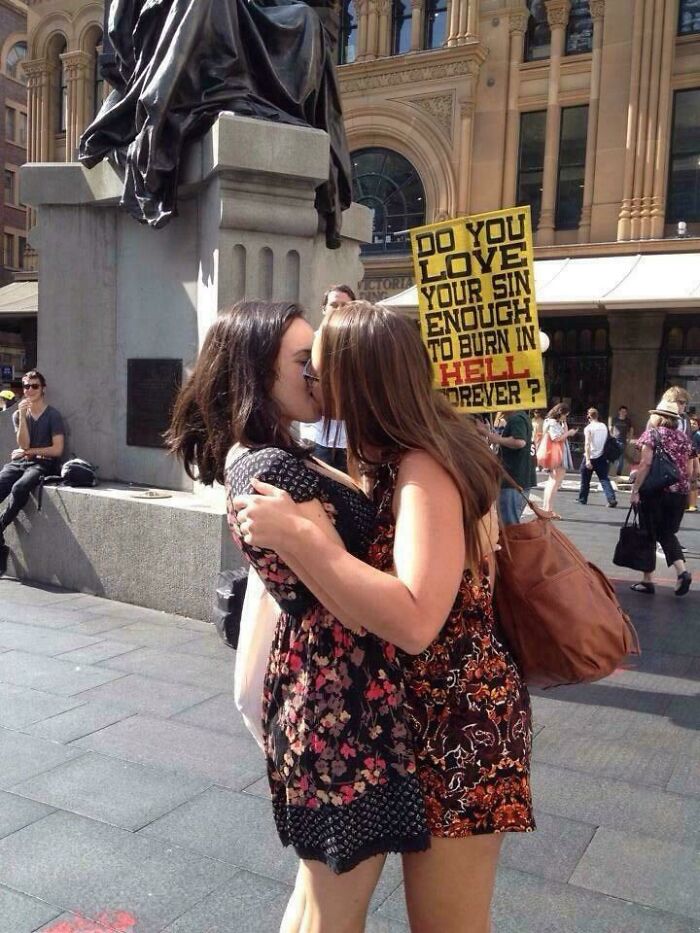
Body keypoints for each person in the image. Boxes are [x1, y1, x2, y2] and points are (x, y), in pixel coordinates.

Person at [234, 301, 534, 933]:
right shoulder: (385, 460)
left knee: (446, 925)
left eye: (317, 370)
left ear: (357, 378)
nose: (311, 383)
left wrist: (305, 541)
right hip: (403, 723)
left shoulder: (423, 466)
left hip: (458, 726)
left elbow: (418, 617)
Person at [167, 301, 430, 933]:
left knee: (319, 904)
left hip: (340, 705)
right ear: (255, 371)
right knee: (333, 911)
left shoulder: (280, 455)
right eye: (301, 359)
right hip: (340, 716)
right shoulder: (269, 470)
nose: (318, 371)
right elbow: (350, 606)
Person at [0, 371, 65, 576]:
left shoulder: (53, 415)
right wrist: (23, 418)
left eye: (34, 386)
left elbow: (57, 450)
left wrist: (29, 452)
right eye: (26, 386)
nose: (29, 390)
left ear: (43, 389)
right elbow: (23, 444)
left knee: (20, 487)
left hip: (44, 465)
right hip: (21, 462)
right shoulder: (18, 414)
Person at [629, 400, 692, 596]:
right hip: (679, 492)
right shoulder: (684, 438)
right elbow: (690, 470)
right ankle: (682, 572)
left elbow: (646, 463)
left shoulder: (652, 434)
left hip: (655, 492)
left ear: (659, 417)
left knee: (648, 533)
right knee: (667, 533)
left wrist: (635, 489)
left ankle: (647, 581)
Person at [299, 284, 355, 471]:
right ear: (324, 308)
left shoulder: (359, 345)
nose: (339, 310)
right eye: (334, 305)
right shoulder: (308, 342)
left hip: (350, 441)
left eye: (345, 306)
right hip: (315, 438)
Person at [483, 410, 536, 525]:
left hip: (512, 479)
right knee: (508, 521)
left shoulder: (516, 419)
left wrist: (496, 439)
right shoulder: (521, 417)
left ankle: (511, 543)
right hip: (517, 479)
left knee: (509, 524)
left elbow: (520, 442)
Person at [540, 402, 577, 515]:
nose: (566, 417)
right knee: (555, 482)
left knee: (552, 481)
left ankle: (547, 508)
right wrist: (569, 433)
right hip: (557, 454)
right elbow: (556, 437)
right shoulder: (552, 423)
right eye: (565, 415)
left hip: (555, 453)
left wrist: (564, 424)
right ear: (560, 413)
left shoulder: (551, 422)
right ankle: (548, 509)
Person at [578, 407, 618, 508]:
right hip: (601, 456)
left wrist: (587, 460)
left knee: (585, 479)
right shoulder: (603, 426)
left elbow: (587, 444)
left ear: (589, 417)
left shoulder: (588, 428)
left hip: (590, 456)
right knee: (604, 479)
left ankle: (583, 499)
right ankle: (611, 499)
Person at [608, 404, 634, 476]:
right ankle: (607, 472)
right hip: (615, 441)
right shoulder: (615, 419)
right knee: (611, 456)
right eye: (622, 411)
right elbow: (610, 427)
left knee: (621, 458)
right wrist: (611, 436)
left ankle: (618, 473)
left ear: (626, 413)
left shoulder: (628, 421)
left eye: (625, 411)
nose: (623, 413)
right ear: (619, 412)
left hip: (623, 441)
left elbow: (631, 430)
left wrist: (629, 439)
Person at [688, 416, 699, 512]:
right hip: (695, 459)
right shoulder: (691, 435)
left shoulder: (697, 435)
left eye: (694, 424)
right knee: (694, 482)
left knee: (692, 481)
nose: (692, 425)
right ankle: (693, 504)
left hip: (696, 460)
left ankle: (692, 504)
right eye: (690, 423)